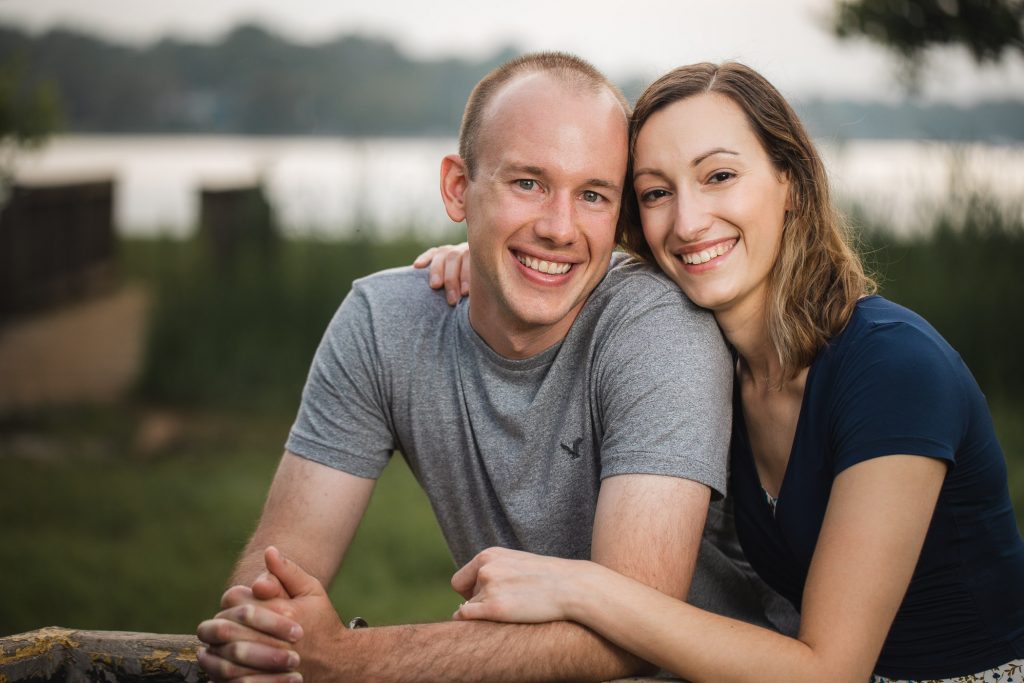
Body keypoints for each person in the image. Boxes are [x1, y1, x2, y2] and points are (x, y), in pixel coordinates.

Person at [195, 53, 796, 683]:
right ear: (458, 188)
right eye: (528, 183)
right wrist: (260, 638)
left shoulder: (658, 325)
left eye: (592, 194)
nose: (559, 228)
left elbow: (635, 633)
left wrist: (346, 659)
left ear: (617, 216)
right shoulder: (383, 322)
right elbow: (273, 581)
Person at [422, 62, 1024, 681]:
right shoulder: (714, 365)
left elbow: (829, 671)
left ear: (789, 181)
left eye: (720, 176)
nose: (688, 222)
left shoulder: (894, 369)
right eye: (657, 192)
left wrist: (582, 590)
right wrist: (498, 256)